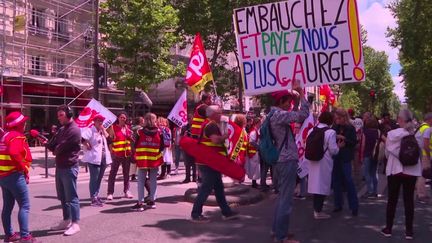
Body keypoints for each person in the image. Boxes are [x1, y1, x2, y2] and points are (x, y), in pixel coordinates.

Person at [269, 80, 310, 243]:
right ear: (281, 102)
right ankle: (281, 237)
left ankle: (277, 230)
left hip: (281, 160)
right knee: (286, 199)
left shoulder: (274, 114)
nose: (291, 104)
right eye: (288, 101)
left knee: (282, 198)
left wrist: (297, 96)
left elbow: (296, 114)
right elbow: (302, 115)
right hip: (286, 160)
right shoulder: (279, 115)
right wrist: (301, 93)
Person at [191, 105, 239, 223]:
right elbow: (215, 140)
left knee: (218, 188)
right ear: (213, 114)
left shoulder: (208, 124)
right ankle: (196, 214)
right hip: (209, 162)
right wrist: (225, 137)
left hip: (211, 161)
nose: (221, 114)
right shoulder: (211, 125)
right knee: (206, 188)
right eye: (219, 112)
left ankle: (226, 212)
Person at [381, 109, 422, 240]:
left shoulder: (392, 134)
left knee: (392, 200)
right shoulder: (417, 134)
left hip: (395, 170)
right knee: (409, 200)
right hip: (411, 170)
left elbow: (388, 152)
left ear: (400, 120)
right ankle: (409, 231)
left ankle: (388, 228)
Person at [0, 112, 39, 242]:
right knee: (25, 205)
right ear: (19, 124)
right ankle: (25, 236)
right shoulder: (16, 136)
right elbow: (14, 152)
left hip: (4, 177)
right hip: (14, 175)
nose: (25, 124)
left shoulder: (4, 136)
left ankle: (9, 235)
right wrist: (23, 167)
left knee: (7, 207)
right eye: (23, 122)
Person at [47, 105, 81, 236]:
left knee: (71, 197)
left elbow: (59, 148)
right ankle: (66, 219)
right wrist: (45, 141)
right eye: (58, 115)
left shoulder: (74, 130)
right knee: (62, 197)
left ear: (69, 115)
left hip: (69, 167)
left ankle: (75, 223)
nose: (58, 118)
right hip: (60, 166)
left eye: (61, 115)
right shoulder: (61, 130)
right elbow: (53, 145)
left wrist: (55, 148)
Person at [307, 112, 343, 219]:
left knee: (315, 185)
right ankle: (318, 211)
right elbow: (333, 150)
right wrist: (339, 146)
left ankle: (316, 208)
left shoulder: (312, 130)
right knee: (322, 185)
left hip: (313, 160)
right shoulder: (330, 132)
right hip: (324, 161)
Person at [132, 113, 164, 211]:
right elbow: (162, 146)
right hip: (154, 159)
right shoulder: (160, 132)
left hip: (142, 160)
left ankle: (140, 203)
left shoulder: (139, 132)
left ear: (145, 120)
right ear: (154, 120)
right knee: (153, 181)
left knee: (141, 181)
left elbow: (134, 145)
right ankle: (152, 201)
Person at [332, 108, 359, 216]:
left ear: (343, 118)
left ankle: (354, 206)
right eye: (336, 118)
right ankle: (338, 204)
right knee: (336, 181)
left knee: (348, 181)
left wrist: (344, 139)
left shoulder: (350, 128)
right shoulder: (335, 127)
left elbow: (354, 142)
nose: (336, 120)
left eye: (338, 118)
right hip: (336, 156)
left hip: (346, 157)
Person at [81, 114, 112, 207]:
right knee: (94, 178)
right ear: (94, 122)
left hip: (103, 158)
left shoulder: (102, 131)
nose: (100, 122)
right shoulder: (90, 130)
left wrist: (104, 130)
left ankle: (96, 195)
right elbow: (82, 138)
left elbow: (110, 140)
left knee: (99, 178)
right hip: (94, 158)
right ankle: (93, 198)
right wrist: (86, 143)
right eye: (98, 120)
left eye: (101, 121)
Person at [107, 112, 134, 200]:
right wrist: (111, 152)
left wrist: (131, 136)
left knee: (126, 174)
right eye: (121, 117)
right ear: (118, 118)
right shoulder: (113, 128)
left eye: (124, 118)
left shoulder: (128, 128)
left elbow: (131, 139)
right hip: (116, 154)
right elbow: (110, 141)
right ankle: (110, 193)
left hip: (126, 154)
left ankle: (127, 191)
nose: (123, 119)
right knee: (113, 174)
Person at [360, 117, 381, 198]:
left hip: (367, 154)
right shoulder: (378, 132)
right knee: (374, 173)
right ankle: (375, 191)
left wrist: (361, 155)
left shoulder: (365, 132)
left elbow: (363, 145)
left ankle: (370, 190)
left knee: (366, 173)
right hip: (375, 155)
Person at [415, 112, 432, 203]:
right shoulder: (426, 128)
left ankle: (420, 192)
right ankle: (421, 194)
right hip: (426, 154)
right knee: (424, 174)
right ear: (430, 119)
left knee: (423, 174)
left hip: (423, 153)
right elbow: (425, 144)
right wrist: (428, 155)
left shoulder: (422, 127)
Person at [246, 118, 261, 188]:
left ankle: (254, 182)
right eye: (259, 123)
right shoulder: (253, 132)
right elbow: (251, 141)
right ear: (256, 123)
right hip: (253, 152)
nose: (260, 124)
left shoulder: (254, 131)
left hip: (254, 152)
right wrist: (258, 147)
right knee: (254, 168)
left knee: (255, 168)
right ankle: (254, 183)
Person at [130, 116, 144, 182]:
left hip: (132, 146)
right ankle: (139, 175)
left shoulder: (132, 128)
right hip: (139, 146)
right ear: (141, 121)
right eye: (143, 120)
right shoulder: (140, 129)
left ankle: (132, 175)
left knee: (133, 161)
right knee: (139, 161)